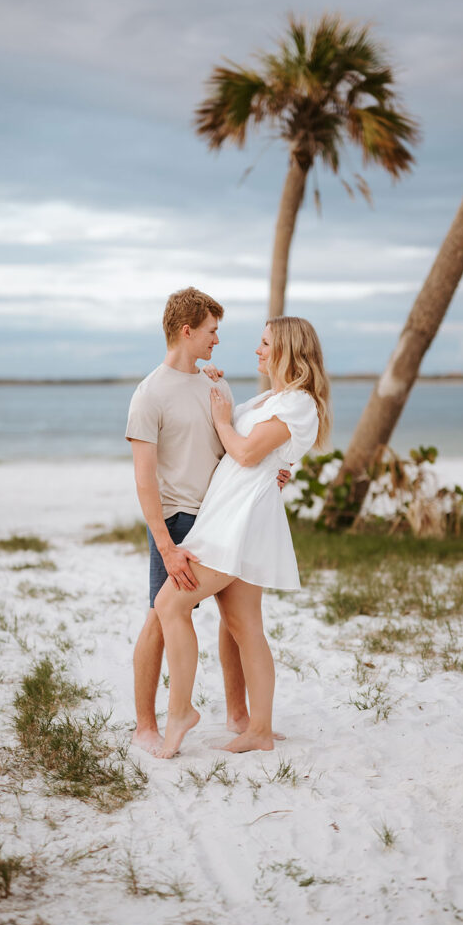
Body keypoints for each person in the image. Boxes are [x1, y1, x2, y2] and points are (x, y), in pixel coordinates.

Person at [155, 316, 332, 758]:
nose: (257, 350)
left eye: (265, 343)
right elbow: (246, 443)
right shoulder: (274, 397)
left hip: (241, 518)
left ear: (287, 350)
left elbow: (247, 451)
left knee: (168, 603)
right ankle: (257, 728)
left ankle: (182, 712)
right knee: (243, 625)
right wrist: (215, 386)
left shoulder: (299, 404)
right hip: (232, 509)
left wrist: (221, 421)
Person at [125, 287, 290, 753]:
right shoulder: (149, 394)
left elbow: (233, 452)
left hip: (223, 520)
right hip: (177, 524)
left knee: (237, 623)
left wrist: (269, 475)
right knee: (160, 618)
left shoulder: (217, 386)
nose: (217, 340)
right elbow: (144, 481)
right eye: (212, 330)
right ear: (187, 330)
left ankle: (241, 717)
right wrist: (166, 545)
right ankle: (145, 726)